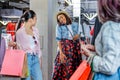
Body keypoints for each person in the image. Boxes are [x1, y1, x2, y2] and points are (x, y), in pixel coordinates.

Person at [81, 0, 120, 80]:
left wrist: (90, 56)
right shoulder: (116, 26)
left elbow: (109, 66)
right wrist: (97, 48)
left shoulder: (110, 27)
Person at [11, 10, 42, 80]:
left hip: (35, 58)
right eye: (35, 19)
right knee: (26, 79)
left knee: (39, 78)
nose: (36, 20)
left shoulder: (36, 30)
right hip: (25, 59)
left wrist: (39, 59)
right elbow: (19, 49)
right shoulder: (19, 32)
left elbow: (38, 46)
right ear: (31, 20)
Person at [52, 11, 82, 80]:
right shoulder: (59, 27)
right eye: (59, 19)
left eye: (62, 17)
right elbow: (58, 40)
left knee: (74, 68)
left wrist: (78, 36)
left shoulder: (75, 24)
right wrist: (61, 53)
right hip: (65, 48)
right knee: (63, 68)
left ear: (65, 16)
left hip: (74, 49)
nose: (61, 20)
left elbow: (80, 35)